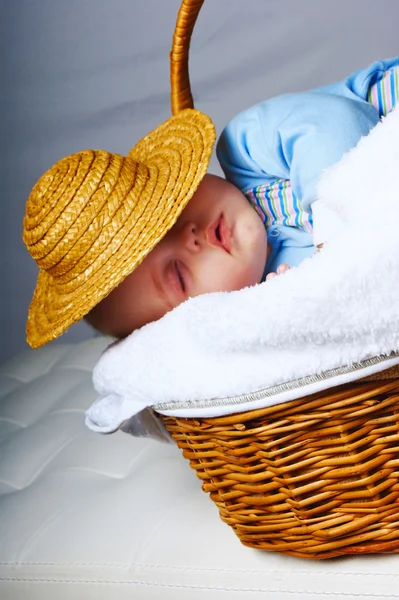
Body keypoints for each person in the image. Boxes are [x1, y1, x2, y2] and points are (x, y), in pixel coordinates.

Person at [23, 58, 399, 348]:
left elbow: (333, 125)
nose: (189, 238)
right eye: (179, 275)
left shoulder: (247, 148)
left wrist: (337, 244)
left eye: (170, 212)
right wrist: (310, 295)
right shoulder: (276, 289)